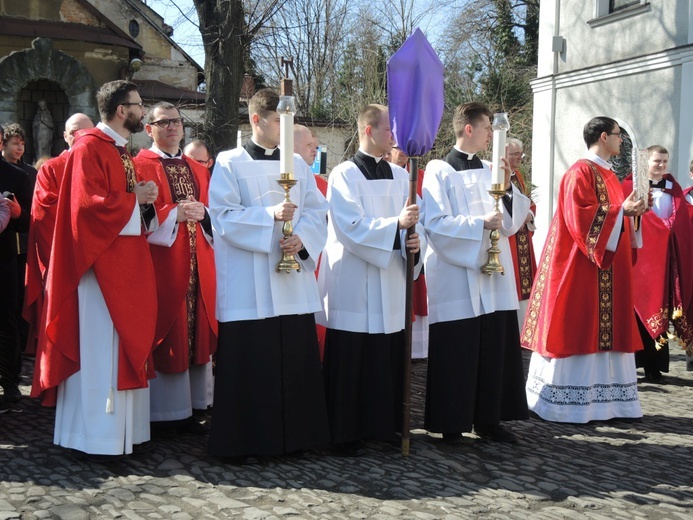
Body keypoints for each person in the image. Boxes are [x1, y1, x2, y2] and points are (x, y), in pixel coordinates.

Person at [30, 80, 160, 459]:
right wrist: (134, 199)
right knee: (101, 351)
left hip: (124, 266)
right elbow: (87, 210)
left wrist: (143, 202)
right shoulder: (88, 148)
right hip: (98, 271)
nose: (141, 111)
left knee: (119, 349)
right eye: (138, 105)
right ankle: (93, 439)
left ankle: (123, 436)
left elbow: (123, 205)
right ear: (123, 111)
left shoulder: (119, 149)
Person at [208, 88, 330, 461]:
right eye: (279, 121)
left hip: (291, 280)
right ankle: (246, 442)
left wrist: (302, 241)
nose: (285, 128)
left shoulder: (296, 162)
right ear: (256, 120)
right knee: (251, 362)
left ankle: (297, 438)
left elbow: (315, 211)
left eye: (288, 121)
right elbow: (222, 218)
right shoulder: (229, 162)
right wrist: (268, 219)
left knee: (294, 358)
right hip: (249, 283)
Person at [522, 116, 649, 423]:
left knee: (608, 329)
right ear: (603, 137)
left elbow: (616, 219)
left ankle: (610, 403)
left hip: (609, 270)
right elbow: (581, 220)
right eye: (618, 136)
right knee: (580, 325)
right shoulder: (579, 172)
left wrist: (633, 215)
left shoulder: (608, 175)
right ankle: (568, 404)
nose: (621, 141)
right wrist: (621, 212)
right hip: (581, 269)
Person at [317, 104, 425, 454]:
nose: (394, 136)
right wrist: (397, 228)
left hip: (391, 279)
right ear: (368, 130)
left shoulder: (400, 177)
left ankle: (383, 426)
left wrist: (413, 240)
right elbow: (348, 227)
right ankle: (345, 432)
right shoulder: (344, 174)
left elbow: (416, 222)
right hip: (355, 280)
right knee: (353, 357)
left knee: (386, 356)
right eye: (389, 130)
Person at [422, 101, 531, 444]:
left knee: (492, 345)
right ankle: (451, 423)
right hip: (457, 273)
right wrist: (478, 225)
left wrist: (509, 186)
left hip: (494, 275)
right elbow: (435, 224)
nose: (491, 135)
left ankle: (489, 419)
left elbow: (511, 225)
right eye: (487, 128)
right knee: (459, 348)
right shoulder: (439, 170)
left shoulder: (490, 168)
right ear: (468, 129)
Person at [134, 102, 217, 433]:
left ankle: (197, 405)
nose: (172, 127)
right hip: (163, 266)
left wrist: (204, 215)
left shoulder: (198, 169)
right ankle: (166, 413)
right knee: (170, 331)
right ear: (148, 129)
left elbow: (217, 213)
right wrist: (174, 214)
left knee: (197, 334)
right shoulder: (140, 165)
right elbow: (138, 216)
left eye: (176, 122)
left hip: (199, 266)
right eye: (163, 122)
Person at [24, 113, 94, 356]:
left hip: (98, 267)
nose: (80, 137)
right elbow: (45, 216)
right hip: (64, 263)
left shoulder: (101, 167)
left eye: (86, 132)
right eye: (74, 132)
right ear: (64, 136)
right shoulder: (52, 169)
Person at [623, 145, 693, 383]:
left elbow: (681, 225)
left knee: (660, 309)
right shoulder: (630, 187)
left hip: (665, 262)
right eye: (656, 161)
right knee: (635, 310)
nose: (661, 165)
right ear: (646, 163)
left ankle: (655, 366)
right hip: (639, 260)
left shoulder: (675, 191)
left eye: (665, 161)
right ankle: (631, 365)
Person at [385, 144, 429, 360]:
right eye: (396, 147)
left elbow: (421, 216)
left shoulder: (409, 178)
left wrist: (414, 239)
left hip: (403, 259)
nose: (401, 151)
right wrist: (396, 226)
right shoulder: (349, 174)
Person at [0, 124, 32, 405]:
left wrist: (20, 213)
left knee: (6, 321)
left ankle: (9, 383)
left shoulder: (16, 176)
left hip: (3, 259)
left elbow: (28, 221)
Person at [505, 138, 537, 329]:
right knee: (513, 281)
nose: (519, 158)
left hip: (523, 237)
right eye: (515, 154)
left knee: (525, 282)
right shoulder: (499, 176)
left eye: (520, 154)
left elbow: (529, 201)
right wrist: (518, 215)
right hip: (510, 238)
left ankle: (525, 327)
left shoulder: (519, 175)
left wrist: (530, 214)